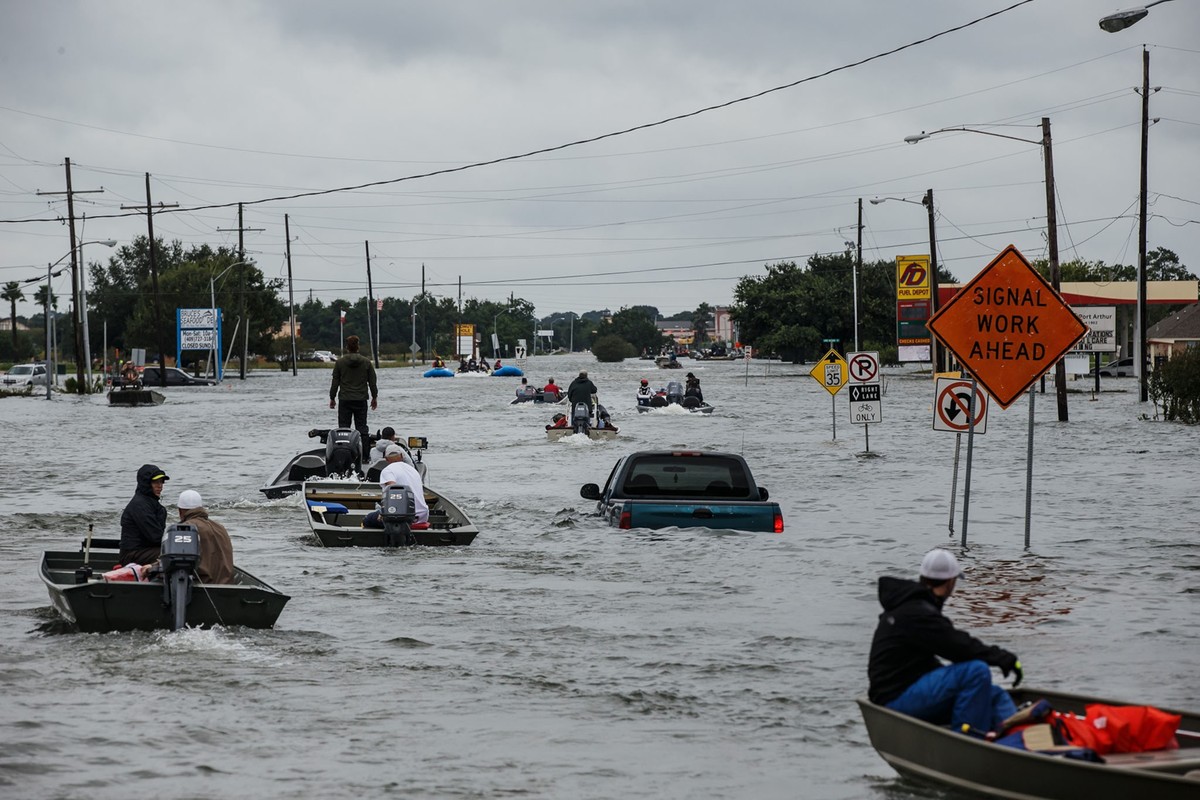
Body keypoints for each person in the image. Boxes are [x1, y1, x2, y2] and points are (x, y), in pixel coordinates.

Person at [868, 548, 1022, 735]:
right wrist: (1002, 658)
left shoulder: (910, 606)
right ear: (951, 582)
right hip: (895, 699)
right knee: (976, 671)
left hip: (905, 688)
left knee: (995, 694)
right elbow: (959, 647)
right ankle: (968, 740)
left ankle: (1019, 741)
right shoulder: (919, 613)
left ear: (923, 577)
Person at [172, 489, 234, 584]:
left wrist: (151, 567)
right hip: (226, 588)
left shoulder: (186, 528)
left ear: (180, 511)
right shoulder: (220, 528)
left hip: (203, 588)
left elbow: (176, 559)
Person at [363, 444, 429, 526]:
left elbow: (394, 490)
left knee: (368, 519)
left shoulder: (388, 470)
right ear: (401, 456)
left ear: (386, 459)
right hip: (422, 515)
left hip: (402, 518)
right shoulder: (413, 471)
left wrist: (382, 514)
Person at [328, 335, 378, 441]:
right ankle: (364, 453)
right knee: (362, 428)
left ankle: (342, 453)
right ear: (358, 346)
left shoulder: (340, 363)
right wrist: (374, 397)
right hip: (361, 399)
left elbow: (335, 383)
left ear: (347, 347)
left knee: (343, 429)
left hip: (345, 399)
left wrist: (332, 398)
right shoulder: (366, 362)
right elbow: (372, 383)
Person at [120, 464, 169, 565]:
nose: (160, 486)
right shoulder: (140, 505)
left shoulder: (151, 503)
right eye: (155, 482)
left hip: (145, 550)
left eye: (161, 482)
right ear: (146, 483)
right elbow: (155, 537)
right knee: (171, 553)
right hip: (132, 555)